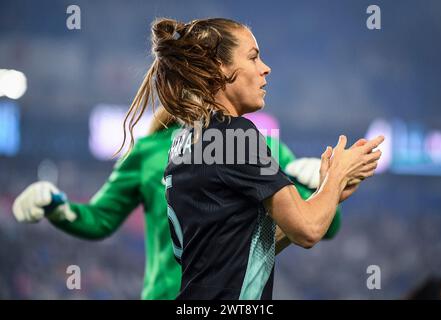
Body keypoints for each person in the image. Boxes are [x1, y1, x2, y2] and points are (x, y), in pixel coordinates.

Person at [118, 17, 384, 300]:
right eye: (253, 57)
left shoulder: (187, 141)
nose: (265, 68)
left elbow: (240, 250)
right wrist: (337, 174)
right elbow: (307, 230)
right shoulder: (235, 136)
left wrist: (328, 195)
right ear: (221, 66)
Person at [12, 107, 341, 299]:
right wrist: (57, 206)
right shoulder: (149, 150)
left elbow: (321, 227)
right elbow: (100, 218)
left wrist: (320, 186)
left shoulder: (260, 144)